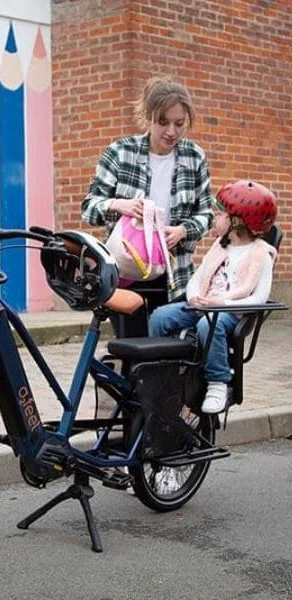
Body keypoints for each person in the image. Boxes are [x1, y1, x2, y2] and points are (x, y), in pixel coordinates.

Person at [81, 75, 213, 336]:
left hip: (174, 273)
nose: (171, 132)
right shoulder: (120, 152)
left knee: (169, 352)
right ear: (148, 117)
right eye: (163, 122)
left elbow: (207, 214)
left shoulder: (194, 157)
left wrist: (183, 231)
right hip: (127, 270)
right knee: (131, 346)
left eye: (179, 123)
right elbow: (89, 208)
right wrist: (120, 204)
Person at [149, 180, 278, 414]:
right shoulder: (221, 246)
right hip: (204, 306)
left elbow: (259, 298)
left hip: (230, 312)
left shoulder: (261, 254)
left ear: (237, 222)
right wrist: (194, 296)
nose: (214, 219)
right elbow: (197, 279)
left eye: (219, 215)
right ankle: (162, 372)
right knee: (160, 316)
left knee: (208, 325)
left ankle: (218, 383)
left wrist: (223, 303)